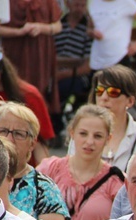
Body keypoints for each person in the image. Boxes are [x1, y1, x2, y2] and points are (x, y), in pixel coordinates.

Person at [39, 105, 123, 220]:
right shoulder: (49, 169)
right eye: (83, 134)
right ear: (72, 133)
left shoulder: (117, 181)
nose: (89, 142)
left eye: (98, 136)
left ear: (108, 139)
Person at [0, 101, 69, 220]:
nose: (9, 138)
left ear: (32, 144)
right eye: (3, 131)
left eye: (19, 134)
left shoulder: (44, 188)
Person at [0, 42, 56, 163]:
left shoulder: (28, 94)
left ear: (0, 69)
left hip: (16, 167)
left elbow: (40, 143)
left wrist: (43, 176)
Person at [77, 65, 136, 171]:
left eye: (113, 92)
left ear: (130, 101)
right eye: (100, 91)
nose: (104, 97)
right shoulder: (81, 133)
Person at [0, 0, 62, 115]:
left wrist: (40, 28)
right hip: (15, 52)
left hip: (40, 54)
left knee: (40, 90)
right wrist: (19, 32)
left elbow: (57, 26)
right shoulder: (6, 2)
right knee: (14, 89)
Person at [51, 0, 95, 144]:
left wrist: (64, 72)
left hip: (77, 74)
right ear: (68, 5)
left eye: (83, 5)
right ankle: (53, 125)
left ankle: (56, 125)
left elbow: (86, 65)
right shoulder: (58, 26)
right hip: (55, 70)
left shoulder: (87, 29)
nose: (79, 9)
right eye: (76, 5)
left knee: (62, 86)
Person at [87, 0, 136, 71]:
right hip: (98, 58)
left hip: (119, 57)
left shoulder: (127, 2)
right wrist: (92, 32)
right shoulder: (94, 2)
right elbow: (89, 27)